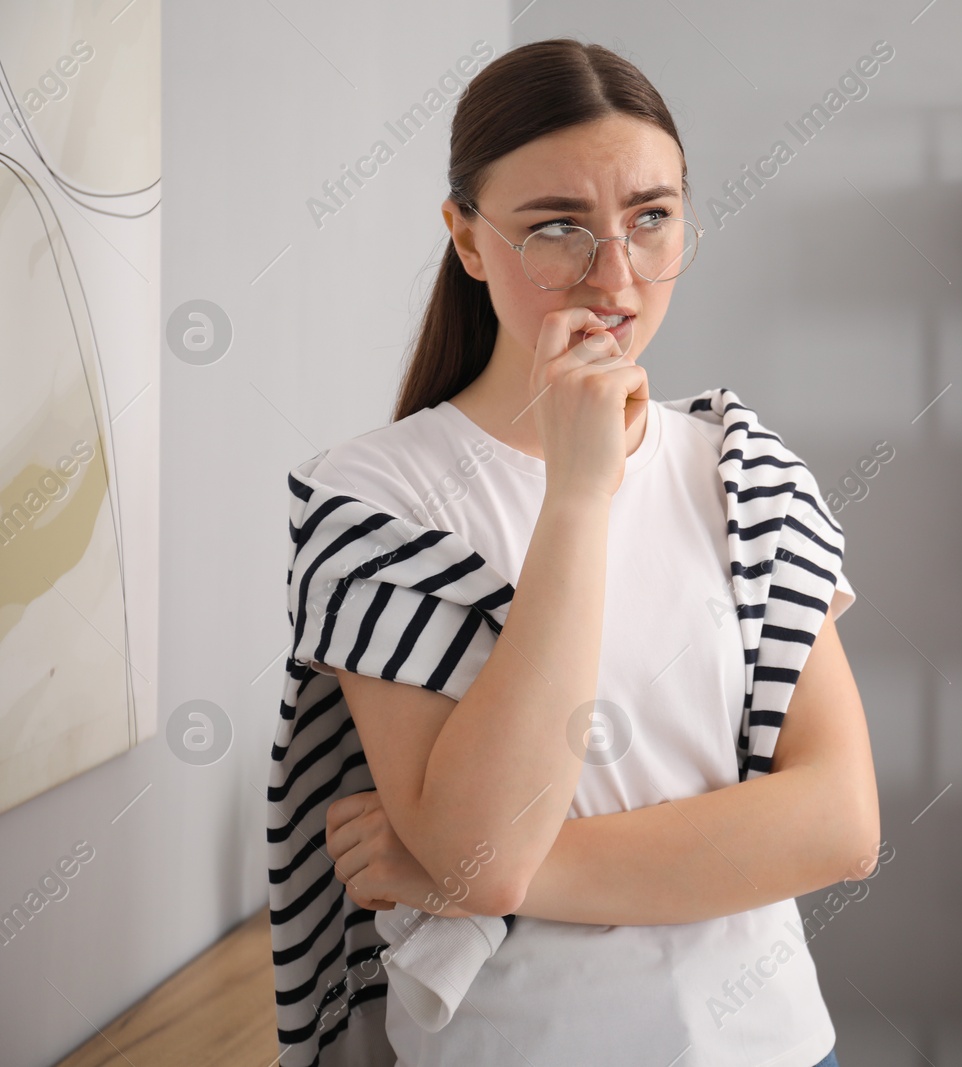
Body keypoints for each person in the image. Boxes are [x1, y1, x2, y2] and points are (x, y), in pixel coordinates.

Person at [310, 37, 876, 1067]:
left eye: (650, 219)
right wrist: (575, 493)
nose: (616, 278)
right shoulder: (372, 497)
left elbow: (838, 821)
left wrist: (455, 869)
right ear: (467, 239)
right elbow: (486, 844)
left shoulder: (742, 469)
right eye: (557, 227)